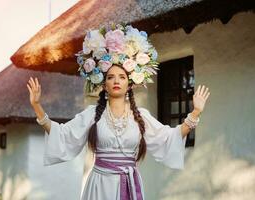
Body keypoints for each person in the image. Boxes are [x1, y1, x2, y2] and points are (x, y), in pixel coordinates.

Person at [27, 23, 210, 200]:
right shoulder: (93, 114)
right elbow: (62, 134)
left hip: (130, 185)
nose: (116, 81)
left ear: (129, 84)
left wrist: (195, 112)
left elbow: (170, 138)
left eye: (122, 77)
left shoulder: (141, 117)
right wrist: (37, 106)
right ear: (104, 84)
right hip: (100, 185)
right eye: (111, 77)